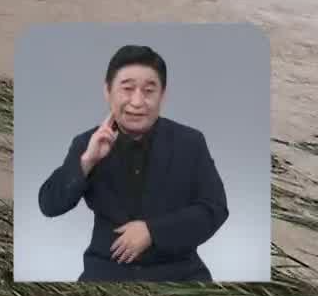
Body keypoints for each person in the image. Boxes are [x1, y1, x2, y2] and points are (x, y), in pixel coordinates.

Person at [36, 43, 229, 282]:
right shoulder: (87, 143)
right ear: (107, 91)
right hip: (107, 272)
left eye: (149, 91)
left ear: (163, 95)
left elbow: (215, 208)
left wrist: (152, 232)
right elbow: (49, 204)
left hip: (179, 273)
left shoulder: (190, 143)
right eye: (127, 89)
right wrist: (87, 162)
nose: (137, 102)